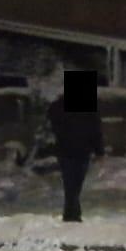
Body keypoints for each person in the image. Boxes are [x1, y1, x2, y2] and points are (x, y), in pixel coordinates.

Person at [46, 93, 105, 222]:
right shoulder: (62, 106)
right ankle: (72, 214)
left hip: (68, 149)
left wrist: (99, 151)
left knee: (71, 183)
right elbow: (96, 129)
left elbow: (95, 129)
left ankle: (71, 213)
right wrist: (99, 151)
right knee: (74, 183)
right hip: (78, 150)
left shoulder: (58, 106)